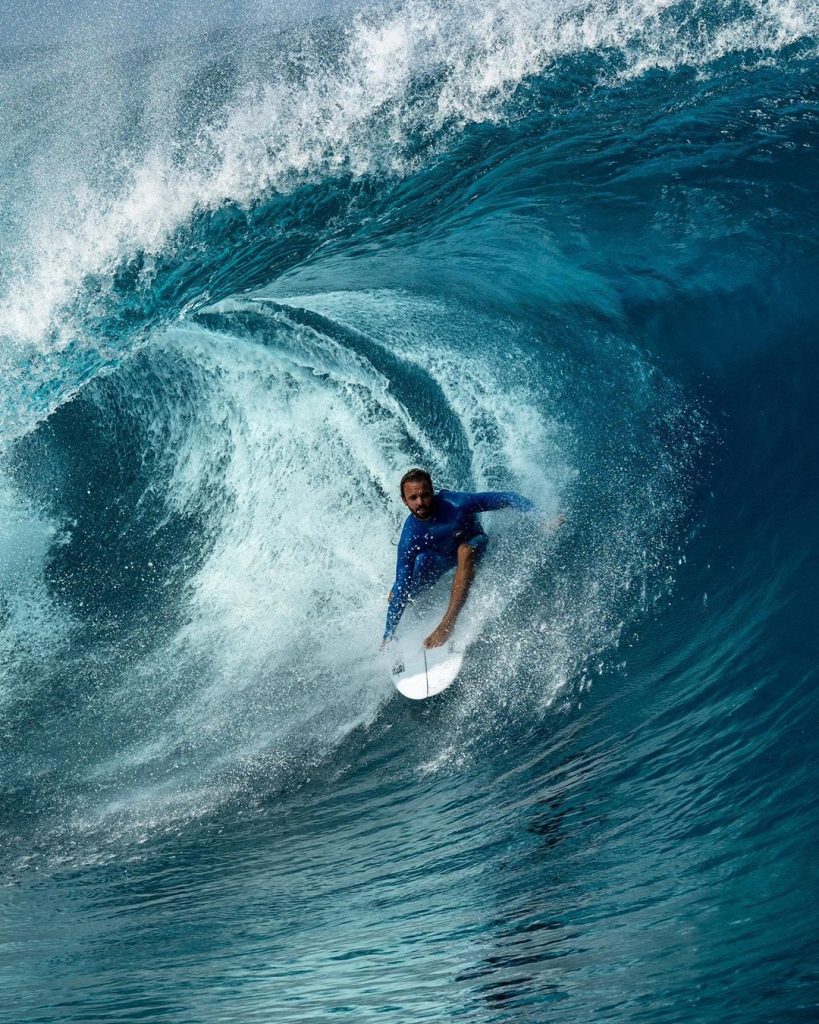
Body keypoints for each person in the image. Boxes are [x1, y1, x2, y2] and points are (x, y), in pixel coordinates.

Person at [383, 468, 540, 649]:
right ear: (404, 501)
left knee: (464, 551)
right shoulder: (410, 537)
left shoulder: (455, 504)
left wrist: (541, 517)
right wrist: (388, 636)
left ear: (432, 492)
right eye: (413, 498)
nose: (421, 502)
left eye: (425, 495)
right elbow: (403, 583)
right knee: (399, 593)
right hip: (439, 559)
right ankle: (391, 626)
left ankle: (447, 624)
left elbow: (508, 497)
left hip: (473, 544)